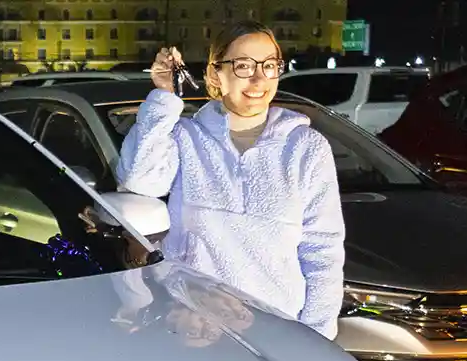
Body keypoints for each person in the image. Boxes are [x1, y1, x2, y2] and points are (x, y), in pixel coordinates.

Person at [115, 22, 345, 340]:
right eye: (243, 65)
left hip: (274, 332)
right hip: (192, 327)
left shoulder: (305, 147)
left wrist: (316, 339)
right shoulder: (186, 137)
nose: (258, 78)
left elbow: (323, 251)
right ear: (214, 75)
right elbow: (140, 180)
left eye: (269, 65)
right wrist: (163, 98)